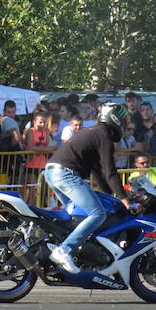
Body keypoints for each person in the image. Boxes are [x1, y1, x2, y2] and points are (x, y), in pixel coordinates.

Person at [43, 103, 131, 274]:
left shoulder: (94, 132)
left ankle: (68, 251)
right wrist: (124, 199)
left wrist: (111, 195)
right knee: (97, 214)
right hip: (66, 174)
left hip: (52, 171)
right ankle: (64, 250)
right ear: (114, 119)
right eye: (123, 120)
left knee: (76, 216)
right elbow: (109, 170)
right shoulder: (103, 134)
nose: (124, 124)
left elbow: (97, 171)